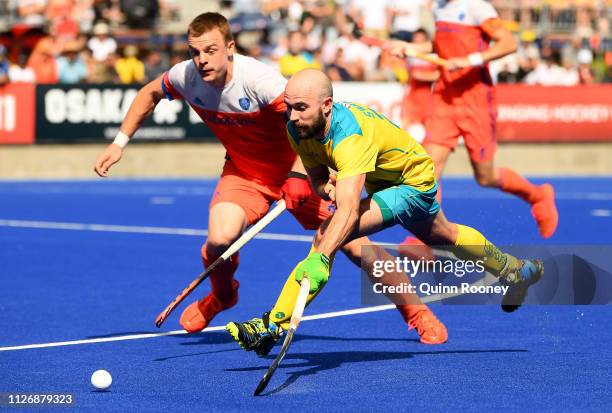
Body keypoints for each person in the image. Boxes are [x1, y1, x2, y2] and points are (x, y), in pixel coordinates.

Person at [94, 12, 447, 345]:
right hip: (244, 173)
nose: (201, 60)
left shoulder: (260, 81)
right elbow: (149, 93)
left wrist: (303, 176)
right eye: (195, 52)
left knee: (355, 244)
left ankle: (416, 312)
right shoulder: (186, 76)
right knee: (219, 239)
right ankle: (222, 294)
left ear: (230, 48)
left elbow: (304, 126)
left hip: (300, 170)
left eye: (210, 50)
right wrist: (119, 142)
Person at [226, 69, 544, 356]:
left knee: (327, 235)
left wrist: (321, 257)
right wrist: (327, 187)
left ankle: (271, 324)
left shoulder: (349, 137)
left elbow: (348, 211)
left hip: (412, 183)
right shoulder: (298, 129)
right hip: (387, 181)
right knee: (443, 235)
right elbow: (321, 180)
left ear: (326, 106)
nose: (293, 116)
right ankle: (516, 271)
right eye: (290, 107)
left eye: (301, 108)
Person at [391, 0, 558, 241]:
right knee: (427, 169)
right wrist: (411, 48)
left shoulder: (477, 8)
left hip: (476, 101)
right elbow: (442, 47)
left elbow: (509, 43)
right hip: (445, 97)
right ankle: (429, 238)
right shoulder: (438, 7)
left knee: (485, 176)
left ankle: (537, 195)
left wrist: (470, 60)